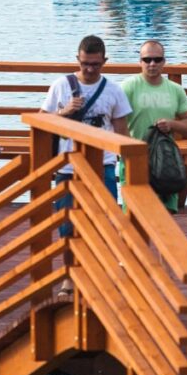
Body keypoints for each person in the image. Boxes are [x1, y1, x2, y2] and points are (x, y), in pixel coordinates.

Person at [40, 35, 131, 294]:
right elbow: (42, 123)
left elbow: (121, 132)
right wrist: (64, 112)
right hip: (68, 166)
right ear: (77, 60)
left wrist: (127, 167)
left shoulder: (113, 90)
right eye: (85, 64)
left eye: (95, 64)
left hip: (103, 164)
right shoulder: (61, 86)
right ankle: (70, 275)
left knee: (104, 222)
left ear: (104, 61)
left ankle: (97, 273)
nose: (90, 69)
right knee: (67, 224)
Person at [121, 40, 187, 213]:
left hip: (164, 159)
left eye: (157, 59)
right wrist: (128, 151)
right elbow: (118, 123)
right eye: (147, 60)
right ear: (140, 62)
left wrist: (171, 124)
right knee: (133, 213)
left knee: (165, 215)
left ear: (164, 62)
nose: (152, 64)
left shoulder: (175, 90)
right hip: (135, 156)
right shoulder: (128, 87)